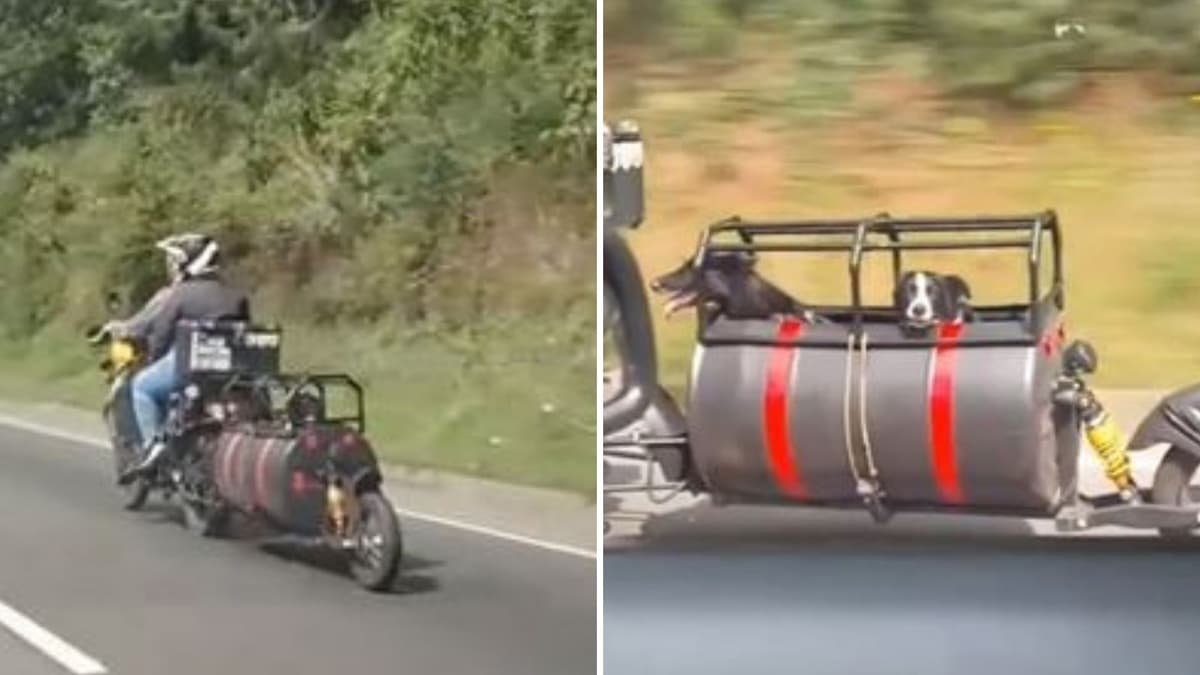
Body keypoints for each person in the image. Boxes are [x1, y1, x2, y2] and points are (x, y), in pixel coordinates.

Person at [112, 233, 250, 483]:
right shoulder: (236, 296)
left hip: (189, 366)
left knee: (142, 387)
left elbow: (162, 334)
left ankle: (154, 447)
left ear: (189, 263)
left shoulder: (181, 294)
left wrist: (154, 357)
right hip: (233, 369)